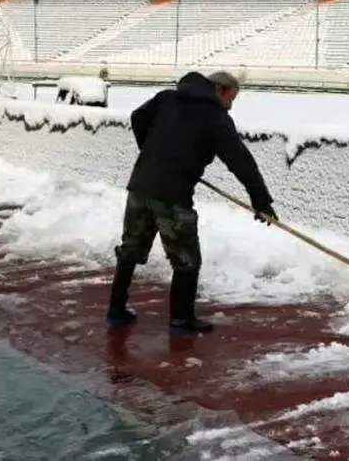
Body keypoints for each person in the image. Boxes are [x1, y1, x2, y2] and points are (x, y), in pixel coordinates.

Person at [107, 70, 277, 333]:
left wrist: (153, 153)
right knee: (186, 260)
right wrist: (261, 202)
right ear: (219, 90)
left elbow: (137, 117)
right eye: (231, 99)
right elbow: (240, 161)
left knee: (131, 249)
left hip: (140, 186)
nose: (231, 106)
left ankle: (116, 309)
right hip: (172, 197)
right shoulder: (216, 118)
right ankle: (181, 319)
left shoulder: (166, 99)